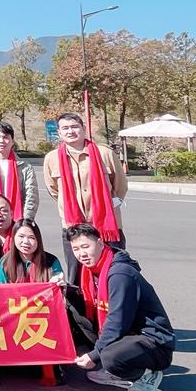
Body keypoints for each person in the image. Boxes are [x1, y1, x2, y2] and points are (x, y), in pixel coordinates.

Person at [67, 223, 174, 391]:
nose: (81, 254)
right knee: (75, 312)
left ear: (100, 243)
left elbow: (118, 321)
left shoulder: (120, 274)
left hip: (153, 342)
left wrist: (95, 355)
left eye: (86, 246)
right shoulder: (91, 270)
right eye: (76, 249)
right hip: (130, 334)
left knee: (110, 358)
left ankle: (148, 374)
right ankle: (116, 366)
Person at [44, 112, 129, 282]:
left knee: (115, 271)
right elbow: (54, 190)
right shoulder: (52, 159)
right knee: (76, 275)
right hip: (72, 226)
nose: (70, 131)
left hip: (106, 226)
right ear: (59, 132)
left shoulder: (104, 154)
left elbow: (120, 185)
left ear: (83, 129)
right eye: (65, 128)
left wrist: (106, 207)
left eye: (75, 127)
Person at [0, 218, 66, 387]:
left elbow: (59, 294)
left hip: (43, 316)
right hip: (14, 315)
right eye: (21, 237)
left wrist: (59, 284)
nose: (26, 242)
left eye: (31, 238)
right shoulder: (4, 264)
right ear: (13, 238)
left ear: (38, 240)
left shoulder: (51, 262)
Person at [0, 121, 39, 221]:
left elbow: (31, 196)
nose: (1, 141)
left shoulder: (25, 167)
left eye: (5, 137)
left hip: (18, 219)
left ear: (12, 141)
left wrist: (26, 221)